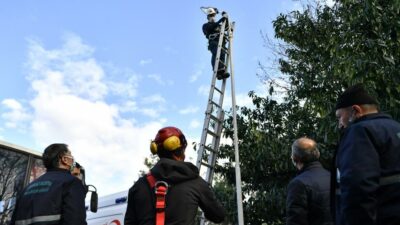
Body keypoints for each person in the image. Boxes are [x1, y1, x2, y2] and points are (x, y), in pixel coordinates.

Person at [124, 126, 226, 225]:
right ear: (182, 149)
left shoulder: (138, 187)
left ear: (157, 151)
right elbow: (218, 216)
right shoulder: (196, 183)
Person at [334, 84, 400, 225]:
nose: (340, 124)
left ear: (356, 111)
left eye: (340, 117)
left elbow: (357, 188)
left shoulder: (359, 131)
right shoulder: (395, 127)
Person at [10, 143, 87, 225]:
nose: (73, 160)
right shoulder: (71, 183)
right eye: (70, 155)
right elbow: (75, 221)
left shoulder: (26, 189)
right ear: (64, 159)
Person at [286, 137, 333, 225]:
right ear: (317, 154)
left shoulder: (298, 184)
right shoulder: (331, 177)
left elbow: (296, 221)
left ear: (295, 158)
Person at [202, 7, 230, 80]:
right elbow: (210, 28)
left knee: (222, 54)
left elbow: (226, 27)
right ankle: (217, 71)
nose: (212, 17)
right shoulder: (205, 25)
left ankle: (221, 73)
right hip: (213, 42)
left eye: (213, 15)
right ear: (208, 17)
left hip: (221, 42)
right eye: (211, 15)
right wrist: (221, 19)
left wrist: (225, 17)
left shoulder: (219, 25)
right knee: (217, 52)